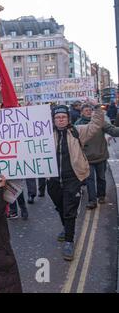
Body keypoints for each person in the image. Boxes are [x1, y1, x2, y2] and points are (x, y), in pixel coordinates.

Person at [48, 101, 104, 261]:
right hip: (52, 179)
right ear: (53, 119)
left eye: (63, 117)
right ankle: (67, 229)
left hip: (73, 178)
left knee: (69, 210)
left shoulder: (77, 131)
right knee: (60, 207)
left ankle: (69, 241)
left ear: (68, 119)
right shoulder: (45, 135)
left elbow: (96, 124)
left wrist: (97, 108)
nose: (60, 120)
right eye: (57, 117)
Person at [75, 104, 119, 209]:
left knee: (101, 178)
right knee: (90, 180)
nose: (89, 112)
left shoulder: (100, 122)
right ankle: (92, 201)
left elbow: (113, 130)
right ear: (81, 112)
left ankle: (101, 196)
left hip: (101, 155)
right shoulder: (78, 125)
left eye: (90, 110)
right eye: (86, 110)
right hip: (87, 158)